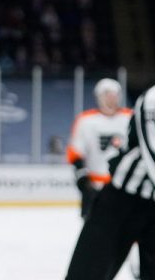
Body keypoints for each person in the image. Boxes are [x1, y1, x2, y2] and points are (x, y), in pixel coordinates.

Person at [65, 84, 155, 280]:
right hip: (121, 200)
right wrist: (84, 183)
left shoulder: (126, 114)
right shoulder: (152, 100)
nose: (112, 98)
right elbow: (152, 157)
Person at [66, 78, 133, 219]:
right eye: (107, 94)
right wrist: (82, 176)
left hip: (126, 186)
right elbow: (75, 151)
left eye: (115, 95)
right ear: (99, 97)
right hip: (95, 185)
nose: (112, 99)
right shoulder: (85, 120)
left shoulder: (130, 117)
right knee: (94, 234)